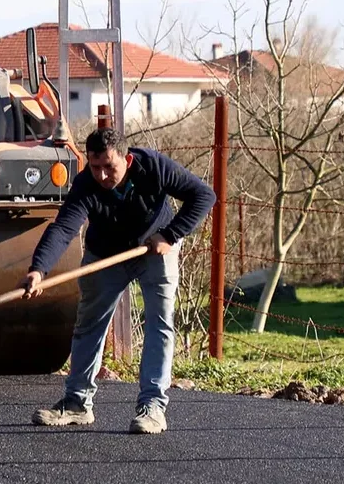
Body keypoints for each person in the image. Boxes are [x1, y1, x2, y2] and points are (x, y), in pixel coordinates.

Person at [22, 127, 215, 435]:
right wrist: (39, 269)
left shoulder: (153, 167)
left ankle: (152, 407)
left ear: (126, 159)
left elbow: (204, 195)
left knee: (159, 323)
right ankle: (76, 403)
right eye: (94, 166)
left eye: (108, 166)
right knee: (89, 324)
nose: (101, 175)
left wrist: (170, 234)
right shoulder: (86, 184)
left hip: (155, 248)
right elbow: (63, 229)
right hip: (106, 254)